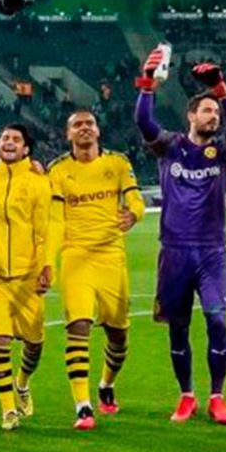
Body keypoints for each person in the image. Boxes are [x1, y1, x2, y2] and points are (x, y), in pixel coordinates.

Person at [136, 55, 226, 424]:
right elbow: (143, 121)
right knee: (178, 327)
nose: (214, 116)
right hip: (174, 253)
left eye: (216, 111)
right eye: (208, 111)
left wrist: (222, 90)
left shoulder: (224, 154)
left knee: (217, 321)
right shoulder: (171, 146)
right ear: (191, 116)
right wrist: (148, 81)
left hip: (212, 252)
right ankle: (186, 396)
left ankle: (217, 396)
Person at [46, 109, 145, 430]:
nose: (84, 128)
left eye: (89, 124)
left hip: (111, 257)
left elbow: (135, 199)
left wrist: (135, 215)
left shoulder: (117, 163)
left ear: (98, 131)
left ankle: (105, 384)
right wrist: (49, 261)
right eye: (77, 125)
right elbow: (56, 219)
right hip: (75, 256)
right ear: (68, 134)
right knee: (78, 325)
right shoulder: (58, 170)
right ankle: (82, 406)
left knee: (118, 334)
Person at [0, 123, 51, 430]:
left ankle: (22, 383)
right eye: (4, 138)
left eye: (16, 139)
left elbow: (44, 230)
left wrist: (46, 267)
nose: (9, 142)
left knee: (34, 344)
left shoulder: (37, 183)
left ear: (26, 149)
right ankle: (8, 409)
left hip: (27, 278)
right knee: (1, 340)